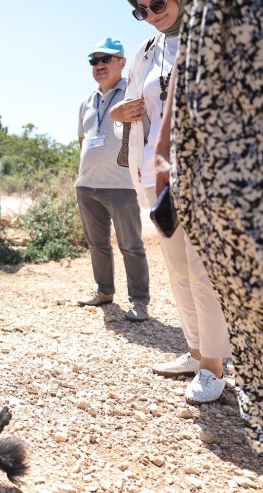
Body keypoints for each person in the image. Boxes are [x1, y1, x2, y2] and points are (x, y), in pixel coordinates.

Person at [110, 0, 232, 404]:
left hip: (204, 177)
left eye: (157, 3)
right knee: (178, 270)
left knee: (202, 272)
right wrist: (119, 114)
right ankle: (196, 352)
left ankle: (214, 366)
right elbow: (130, 111)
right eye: (141, 10)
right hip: (155, 175)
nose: (151, 13)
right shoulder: (146, 51)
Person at [154, 0, 262, 454]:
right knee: (199, 277)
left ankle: (217, 365)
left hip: (241, 165)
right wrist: (163, 152)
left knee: (231, 286)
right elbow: (181, 85)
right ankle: (207, 357)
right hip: (202, 168)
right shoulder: (197, 20)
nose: (148, 11)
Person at [75, 38, 150, 322]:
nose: (99, 65)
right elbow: (82, 141)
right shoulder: (86, 101)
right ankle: (104, 291)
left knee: (131, 245)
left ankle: (140, 303)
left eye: (106, 59)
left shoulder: (132, 94)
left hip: (121, 185)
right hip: (86, 185)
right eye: (94, 61)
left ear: (122, 61)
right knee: (97, 244)